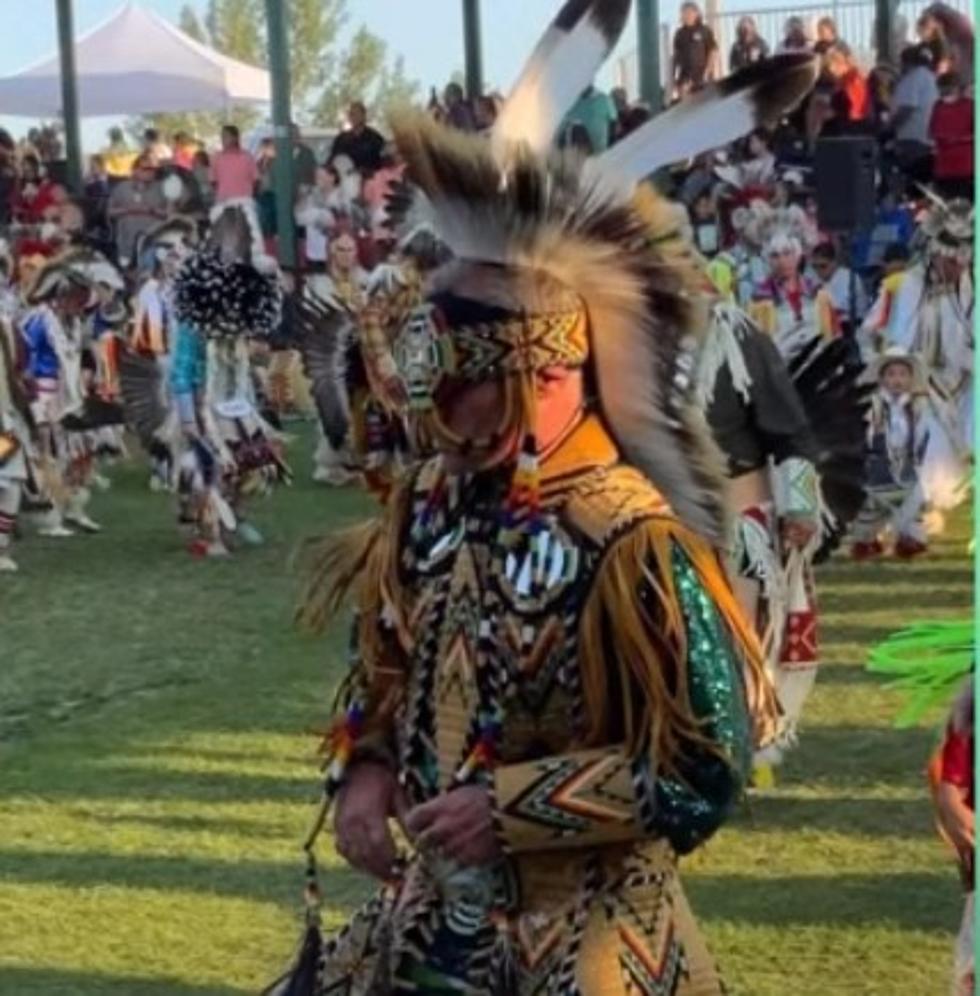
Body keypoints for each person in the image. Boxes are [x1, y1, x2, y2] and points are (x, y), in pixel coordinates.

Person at [285, 98, 779, 995]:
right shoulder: (431, 502)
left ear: (547, 372)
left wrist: (511, 809)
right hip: (427, 928)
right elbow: (388, 665)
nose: (433, 417)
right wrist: (365, 767)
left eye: (459, 387)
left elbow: (705, 766)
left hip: (595, 945)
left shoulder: (633, 543)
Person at [851, 348, 930, 559]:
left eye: (903, 375)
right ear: (882, 378)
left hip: (906, 463)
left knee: (912, 502)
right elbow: (864, 431)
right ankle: (866, 540)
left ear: (911, 378)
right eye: (891, 374)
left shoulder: (916, 406)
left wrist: (919, 453)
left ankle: (909, 539)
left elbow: (923, 432)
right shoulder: (874, 404)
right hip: (877, 463)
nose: (897, 380)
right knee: (873, 507)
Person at [106, 154, 167, 268]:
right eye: (146, 169)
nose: (150, 172)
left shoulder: (161, 189)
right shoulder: (122, 188)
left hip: (153, 243)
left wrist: (151, 210)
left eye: (153, 169)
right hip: (127, 245)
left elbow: (169, 215)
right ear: (135, 170)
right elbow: (110, 212)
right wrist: (127, 209)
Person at [891, 45, 939, 186]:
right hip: (927, 137)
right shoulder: (930, 78)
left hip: (912, 138)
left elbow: (907, 107)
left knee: (909, 181)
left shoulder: (912, 78)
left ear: (906, 62)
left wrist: (891, 127)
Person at [929, 72, 974, 202]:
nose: (945, 92)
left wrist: (960, 139)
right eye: (942, 89)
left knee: (963, 204)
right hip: (943, 167)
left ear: (958, 88)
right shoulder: (938, 106)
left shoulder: (970, 106)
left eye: (948, 88)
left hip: (965, 166)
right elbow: (932, 131)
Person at [809, 241, 868, 333]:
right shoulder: (821, 279)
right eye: (815, 267)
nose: (818, 271)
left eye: (823, 266)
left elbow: (837, 308)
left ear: (834, 263)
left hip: (852, 325)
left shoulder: (846, 277)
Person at [671, 1, 719, 98]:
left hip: (702, 75)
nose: (686, 15)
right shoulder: (679, 33)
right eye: (683, 13)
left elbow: (713, 51)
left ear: (696, 13)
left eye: (689, 12)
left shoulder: (705, 30)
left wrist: (707, 71)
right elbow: (676, 56)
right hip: (685, 76)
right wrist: (673, 79)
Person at [329, 102, 386, 173]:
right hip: (345, 180)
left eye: (357, 113)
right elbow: (332, 160)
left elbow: (382, 164)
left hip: (369, 180)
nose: (354, 117)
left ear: (364, 116)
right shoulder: (341, 139)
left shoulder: (375, 138)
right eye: (351, 114)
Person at [562, 85, 619, 154]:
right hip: (579, 154)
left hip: (600, 153)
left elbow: (615, 126)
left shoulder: (605, 100)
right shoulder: (572, 103)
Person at [210, 125, 257, 205]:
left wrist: (250, 192)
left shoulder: (247, 156)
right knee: (213, 216)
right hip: (223, 200)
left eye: (226, 136)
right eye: (222, 136)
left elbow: (256, 179)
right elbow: (213, 180)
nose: (222, 139)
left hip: (245, 200)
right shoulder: (216, 157)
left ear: (235, 138)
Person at [824, 42, 870, 121]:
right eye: (829, 63)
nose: (831, 68)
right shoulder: (844, 79)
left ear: (846, 61)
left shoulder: (853, 81)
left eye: (835, 61)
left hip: (852, 127)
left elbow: (853, 112)